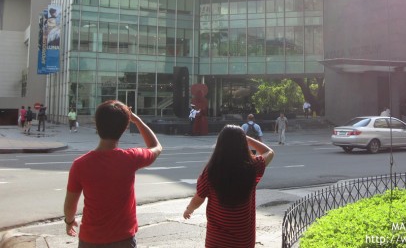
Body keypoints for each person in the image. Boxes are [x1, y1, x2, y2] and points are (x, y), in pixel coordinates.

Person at [63, 100, 162, 247]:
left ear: (96, 125)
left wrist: (69, 221)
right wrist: (137, 120)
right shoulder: (130, 158)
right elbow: (156, 147)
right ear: (125, 127)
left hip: (90, 240)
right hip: (123, 239)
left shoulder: (80, 164)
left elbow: (70, 205)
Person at [183, 125, 274, 248]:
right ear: (243, 144)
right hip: (244, 241)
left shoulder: (211, 171)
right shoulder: (252, 166)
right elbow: (269, 152)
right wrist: (248, 139)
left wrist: (189, 209)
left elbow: (199, 198)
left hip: (216, 241)